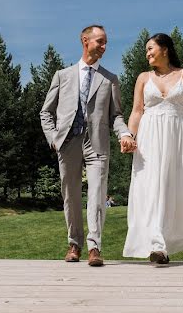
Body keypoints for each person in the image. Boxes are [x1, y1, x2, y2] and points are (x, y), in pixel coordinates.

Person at [40, 25, 136, 267]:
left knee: (97, 195)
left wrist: (125, 133)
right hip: (68, 143)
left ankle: (94, 247)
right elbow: (46, 112)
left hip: (97, 144)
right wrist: (53, 138)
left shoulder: (110, 79)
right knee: (70, 195)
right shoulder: (63, 75)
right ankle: (74, 244)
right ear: (85, 40)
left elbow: (116, 115)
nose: (104, 47)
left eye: (105, 43)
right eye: (100, 42)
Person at [123, 33, 183, 264]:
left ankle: (162, 242)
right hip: (149, 138)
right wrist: (129, 137)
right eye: (146, 50)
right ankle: (157, 245)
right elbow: (137, 111)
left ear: (165, 49)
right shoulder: (143, 78)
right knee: (151, 187)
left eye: (150, 48)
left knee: (171, 186)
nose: (147, 54)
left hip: (177, 137)